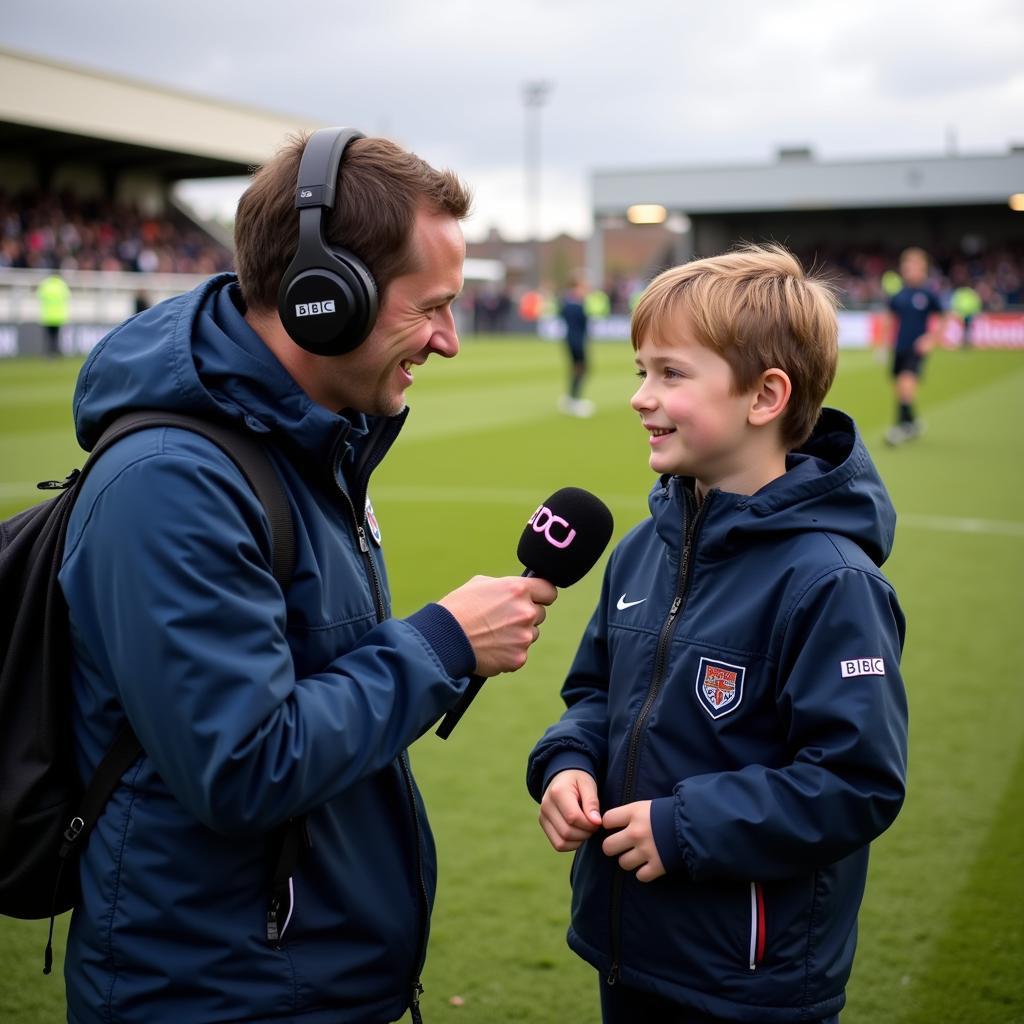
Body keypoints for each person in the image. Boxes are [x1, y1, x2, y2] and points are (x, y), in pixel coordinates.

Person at [58, 129, 557, 1024]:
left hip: (301, 976)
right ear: (325, 299)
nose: (449, 340)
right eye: (431, 306)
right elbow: (242, 764)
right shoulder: (172, 484)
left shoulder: (312, 443)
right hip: (224, 995)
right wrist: (444, 642)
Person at [528, 244, 908, 1023]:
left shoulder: (832, 582)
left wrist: (684, 827)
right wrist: (567, 761)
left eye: (670, 373)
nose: (640, 396)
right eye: (640, 369)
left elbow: (855, 782)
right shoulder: (642, 547)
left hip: (747, 980)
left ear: (765, 396)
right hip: (630, 946)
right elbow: (594, 692)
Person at [884, 247, 946, 445]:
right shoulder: (899, 293)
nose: (909, 269)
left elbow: (944, 317)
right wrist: (885, 344)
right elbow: (890, 317)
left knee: (905, 383)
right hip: (899, 347)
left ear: (923, 268)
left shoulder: (928, 293)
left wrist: (931, 338)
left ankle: (900, 427)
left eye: (914, 265)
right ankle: (912, 422)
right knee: (900, 387)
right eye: (907, 265)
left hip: (916, 348)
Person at [557, 275, 594, 417]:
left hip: (573, 339)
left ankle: (571, 398)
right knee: (581, 368)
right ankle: (574, 399)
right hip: (576, 340)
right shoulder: (573, 304)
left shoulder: (570, 302)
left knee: (578, 369)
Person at [36, 271, 70, 356]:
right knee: (57, 337)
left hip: (47, 316)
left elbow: (39, 296)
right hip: (58, 316)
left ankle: (48, 352)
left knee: (48, 336)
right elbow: (67, 296)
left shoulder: (45, 285)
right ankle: (57, 352)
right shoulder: (62, 285)